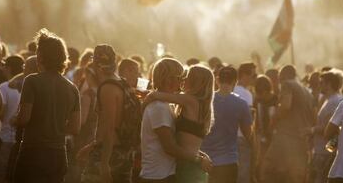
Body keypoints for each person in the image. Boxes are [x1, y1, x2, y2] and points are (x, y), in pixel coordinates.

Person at [14, 29, 81, 183]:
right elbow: (75, 128)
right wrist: (55, 128)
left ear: (41, 56)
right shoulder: (72, 88)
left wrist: (13, 120)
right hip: (58, 154)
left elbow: (24, 119)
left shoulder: (32, 81)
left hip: (33, 152)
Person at [140, 58, 211, 183]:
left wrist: (198, 155)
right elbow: (170, 147)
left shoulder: (168, 105)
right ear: (169, 79)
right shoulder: (159, 107)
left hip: (167, 174)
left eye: (184, 78)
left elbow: (178, 142)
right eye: (179, 77)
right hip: (158, 177)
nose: (182, 81)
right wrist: (198, 159)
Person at [80, 44, 142, 183]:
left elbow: (109, 128)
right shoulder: (123, 83)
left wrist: (104, 165)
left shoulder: (108, 88)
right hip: (124, 154)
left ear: (95, 63)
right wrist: (93, 145)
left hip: (109, 155)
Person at [262, 65, 314, 183]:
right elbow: (313, 115)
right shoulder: (306, 91)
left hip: (286, 136)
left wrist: (273, 120)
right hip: (301, 138)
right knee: (295, 177)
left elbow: (286, 105)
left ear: (283, 75)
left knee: (267, 170)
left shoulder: (287, 84)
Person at [201, 66, 253, 183]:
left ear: (217, 80)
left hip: (204, 161)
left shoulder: (206, 100)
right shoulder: (241, 104)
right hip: (228, 161)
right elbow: (248, 134)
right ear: (235, 82)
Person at [306, 69, 343, 183]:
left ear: (329, 84)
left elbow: (333, 128)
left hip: (325, 152)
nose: (319, 85)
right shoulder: (329, 100)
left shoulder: (334, 101)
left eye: (322, 83)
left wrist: (311, 130)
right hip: (321, 150)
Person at [0, 55, 24, 183]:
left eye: (5, 65)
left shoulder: (5, 87)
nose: (3, 68)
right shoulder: (24, 86)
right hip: (17, 139)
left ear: (9, 68)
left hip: (4, 136)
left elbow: (1, 112)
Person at [233, 62, 256, 183]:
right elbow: (248, 120)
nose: (254, 78)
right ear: (244, 75)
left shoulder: (229, 90)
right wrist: (251, 140)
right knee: (243, 174)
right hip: (242, 137)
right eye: (253, 75)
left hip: (228, 138)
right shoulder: (247, 94)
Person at [253, 75, 277, 182]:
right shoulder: (257, 101)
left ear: (268, 90)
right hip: (261, 140)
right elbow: (256, 121)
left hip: (275, 140)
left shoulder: (277, 100)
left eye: (261, 93)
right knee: (261, 166)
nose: (260, 96)